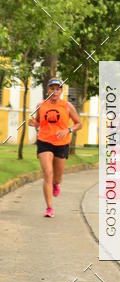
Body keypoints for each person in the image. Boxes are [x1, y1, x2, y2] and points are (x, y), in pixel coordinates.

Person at [28, 78, 82, 218]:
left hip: (62, 143)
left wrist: (68, 130)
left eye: (57, 89)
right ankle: (49, 208)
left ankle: (56, 184)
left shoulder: (67, 106)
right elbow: (39, 122)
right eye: (52, 88)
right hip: (44, 141)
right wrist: (34, 123)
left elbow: (79, 124)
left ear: (61, 91)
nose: (54, 91)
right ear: (48, 90)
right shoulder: (41, 105)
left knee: (57, 178)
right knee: (47, 173)